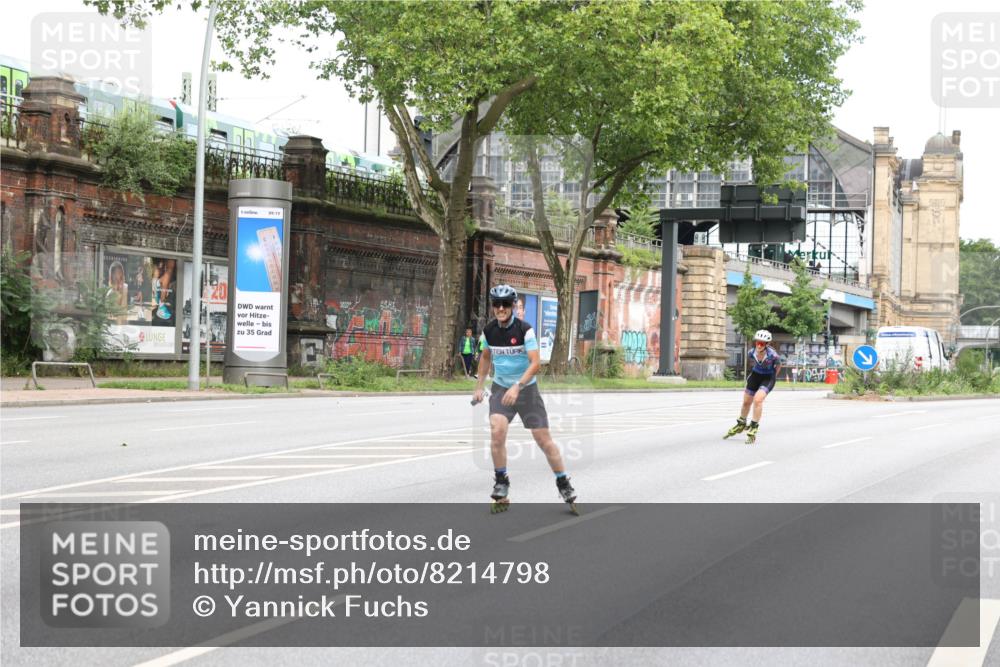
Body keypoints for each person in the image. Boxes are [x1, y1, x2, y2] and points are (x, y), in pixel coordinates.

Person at [473, 284, 577, 513]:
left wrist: (518, 386)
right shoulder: (489, 330)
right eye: (496, 305)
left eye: (505, 304)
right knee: (497, 430)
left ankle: (563, 482)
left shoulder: (525, 330)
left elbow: (536, 363)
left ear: (512, 306)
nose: (501, 308)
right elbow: (485, 358)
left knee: (543, 439)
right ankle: (501, 481)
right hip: (501, 388)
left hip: (526, 389)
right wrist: (479, 386)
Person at [724, 329, 782, 444]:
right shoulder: (751, 352)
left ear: (767, 344)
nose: (759, 345)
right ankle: (741, 422)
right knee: (746, 402)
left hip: (768, 378)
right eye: (757, 342)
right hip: (755, 375)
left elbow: (779, 365)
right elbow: (752, 362)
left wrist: (773, 376)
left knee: (758, 400)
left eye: (762, 343)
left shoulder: (773, 355)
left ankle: (754, 425)